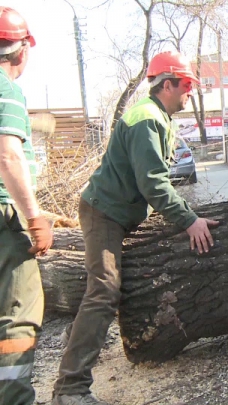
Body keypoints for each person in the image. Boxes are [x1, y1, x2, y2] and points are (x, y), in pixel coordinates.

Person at [52, 51, 219, 405]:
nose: (190, 93)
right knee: (104, 291)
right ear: (168, 84)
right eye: (186, 85)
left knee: (100, 290)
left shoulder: (157, 116)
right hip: (105, 213)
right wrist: (189, 221)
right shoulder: (147, 119)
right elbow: (154, 186)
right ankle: (71, 387)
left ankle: (75, 336)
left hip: (117, 212)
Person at [0, 8, 53, 405]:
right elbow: (8, 157)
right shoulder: (6, 88)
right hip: (5, 222)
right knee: (17, 319)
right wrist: (33, 217)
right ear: (22, 51)